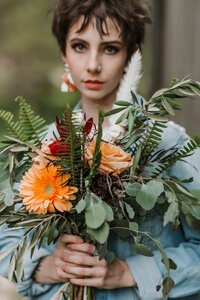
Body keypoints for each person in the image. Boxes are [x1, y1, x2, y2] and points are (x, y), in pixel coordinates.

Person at [0, 0, 200, 299]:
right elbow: (7, 242)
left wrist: (129, 272)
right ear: (63, 53)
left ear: (131, 55)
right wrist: (54, 267)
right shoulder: (40, 146)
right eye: (80, 46)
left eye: (110, 49)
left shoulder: (167, 143)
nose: (93, 64)